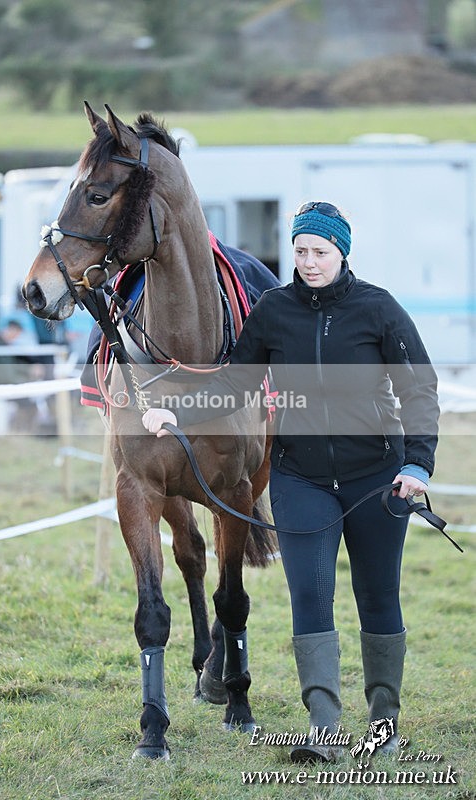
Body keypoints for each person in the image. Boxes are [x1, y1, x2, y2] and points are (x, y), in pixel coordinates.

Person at [141, 202, 439, 763]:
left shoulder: (380, 310)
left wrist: (416, 464)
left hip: (378, 477)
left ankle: (384, 726)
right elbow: (236, 385)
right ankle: (324, 729)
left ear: (342, 252)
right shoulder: (274, 310)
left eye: (319, 252)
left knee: (377, 597)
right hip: (301, 479)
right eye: (300, 251)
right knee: (310, 597)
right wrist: (179, 414)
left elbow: (419, 391)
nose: (308, 262)